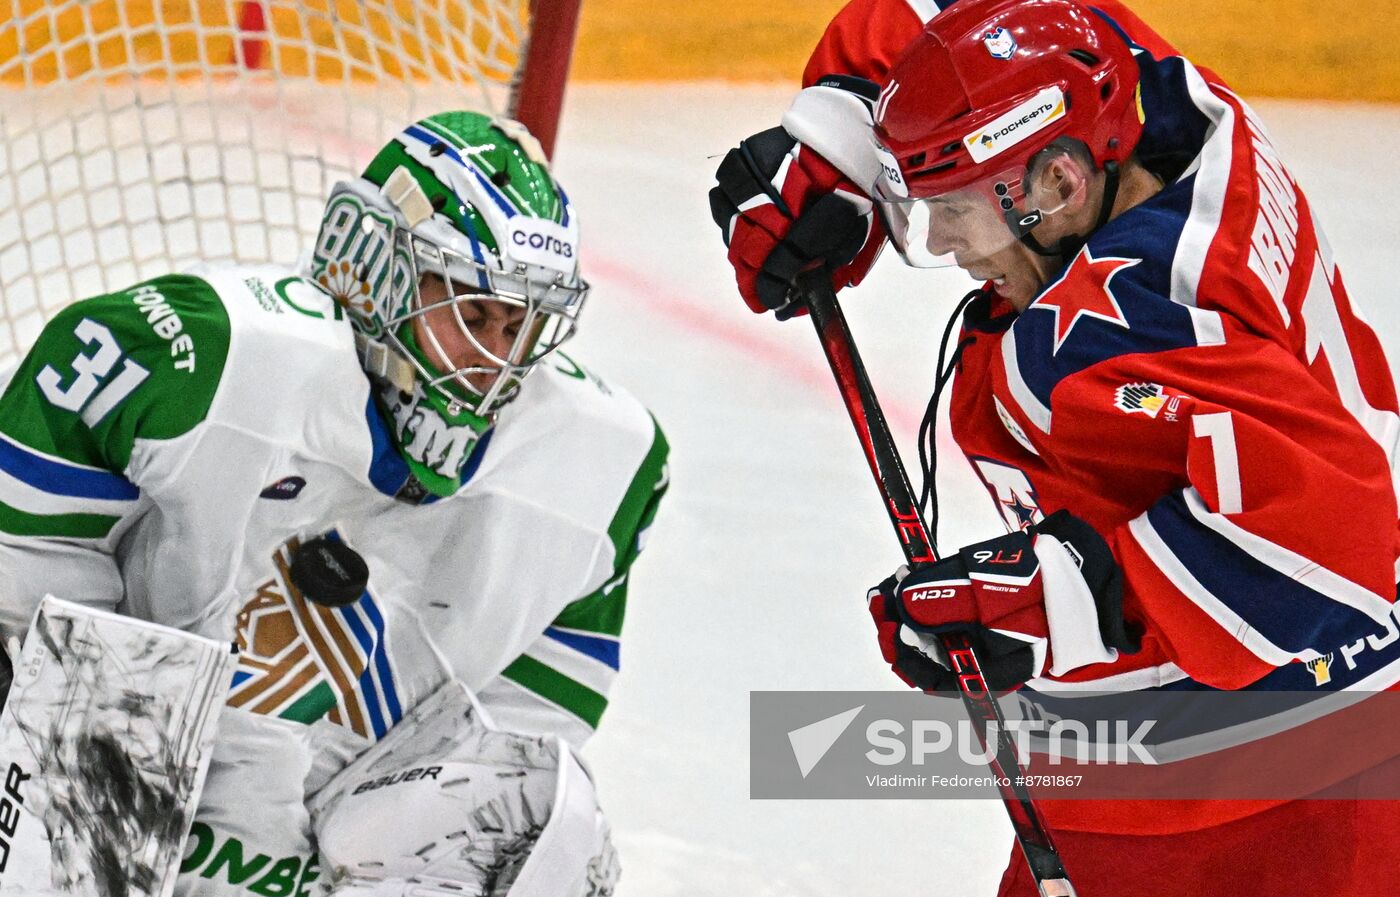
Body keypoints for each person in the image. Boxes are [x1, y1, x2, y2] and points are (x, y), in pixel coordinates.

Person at [709, 0, 1400, 893]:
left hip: (1250, 813)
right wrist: (844, 129)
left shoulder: (1106, 344)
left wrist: (1058, 597)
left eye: (952, 207)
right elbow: (998, 20)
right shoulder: (1169, 103)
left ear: (1062, 185)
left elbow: (1332, 544)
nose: (942, 243)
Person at [0, 111, 668, 896]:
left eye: (517, 326)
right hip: (111, 780)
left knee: (544, 824)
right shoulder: (213, 354)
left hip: (331, 814)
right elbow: (39, 494)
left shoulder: (604, 463)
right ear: (374, 271)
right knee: (97, 684)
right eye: (471, 312)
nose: (493, 363)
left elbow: (521, 733)